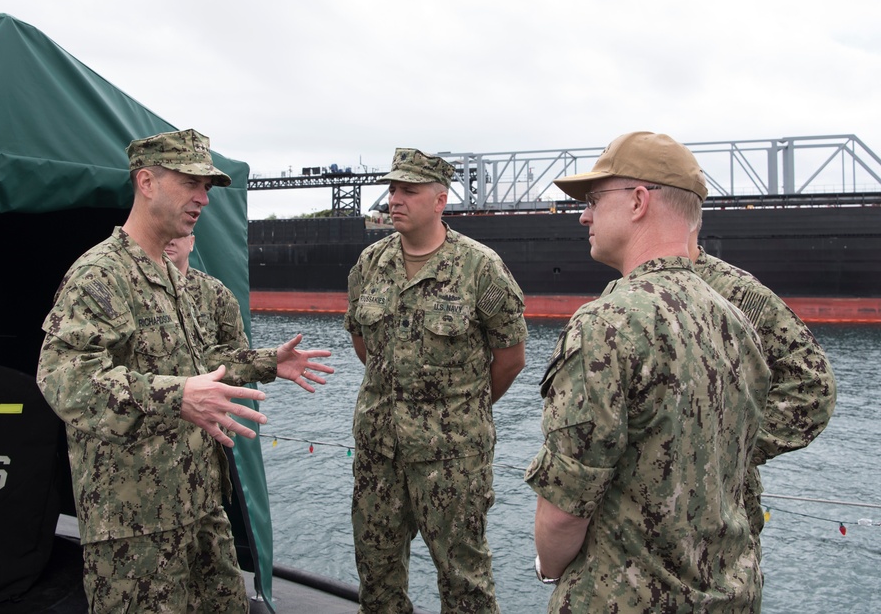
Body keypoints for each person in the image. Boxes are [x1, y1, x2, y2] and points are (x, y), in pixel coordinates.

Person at [37, 128, 334, 613]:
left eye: (209, 188)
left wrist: (265, 364)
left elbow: (198, 365)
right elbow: (64, 379)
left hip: (199, 508)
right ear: (147, 182)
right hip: (136, 527)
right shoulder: (100, 276)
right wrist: (174, 397)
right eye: (191, 183)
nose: (203, 199)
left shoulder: (174, 280)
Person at [524, 131, 772, 611]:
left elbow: (563, 513)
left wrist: (548, 567)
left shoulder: (606, 323)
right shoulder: (736, 320)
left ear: (638, 201)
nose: (584, 214)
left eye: (595, 199)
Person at [345, 148, 528, 613]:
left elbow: (509, 359)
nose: (395, 199)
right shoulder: (370, 263)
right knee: (376, 575)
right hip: (378, 452)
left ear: (440, 200)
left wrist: (461, 411)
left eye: (409, 190)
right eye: (392, 189)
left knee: (464, 581)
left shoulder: (480, 267)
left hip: (452, 458)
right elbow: (362, 340)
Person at [688, 225, 836, 557]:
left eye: (596, 201)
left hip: (715, 546)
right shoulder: (623, 294)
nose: (585, 217)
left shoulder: (734, 293)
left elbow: (812, 388)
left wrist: (720, 450)